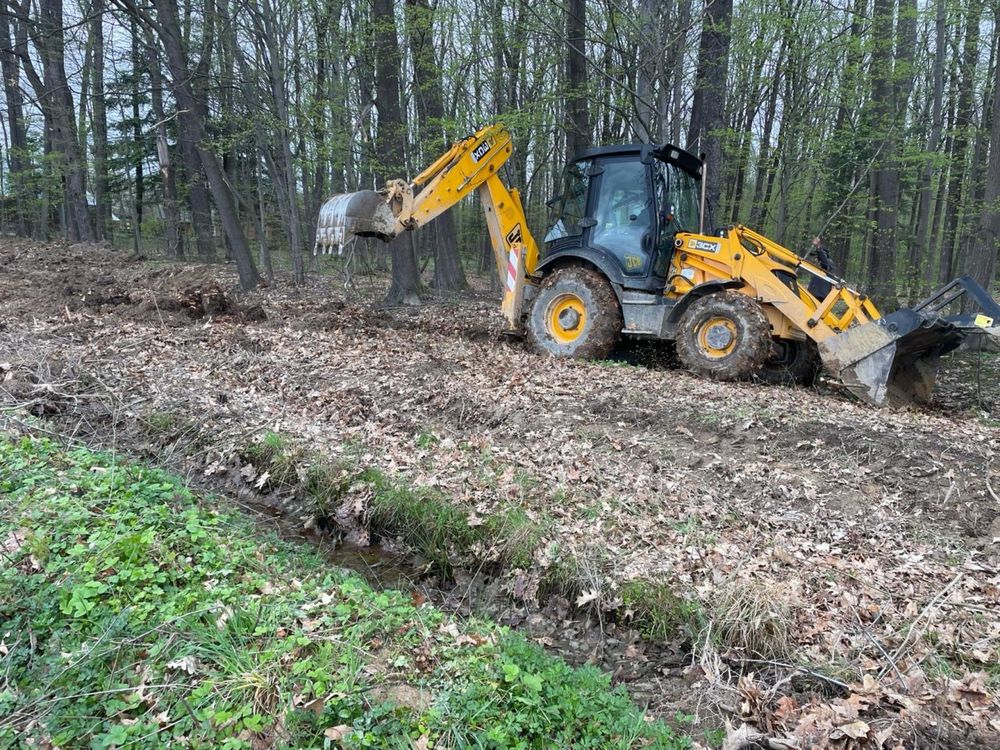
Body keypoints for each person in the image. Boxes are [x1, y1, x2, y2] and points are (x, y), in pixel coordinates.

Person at [806, 235, 835, 300]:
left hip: (820, 296)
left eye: (817, 256)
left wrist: (818, 247)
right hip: (813, 295)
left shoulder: (828, 263)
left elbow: (824, 261)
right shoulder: (819, 266)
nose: (815, 258)